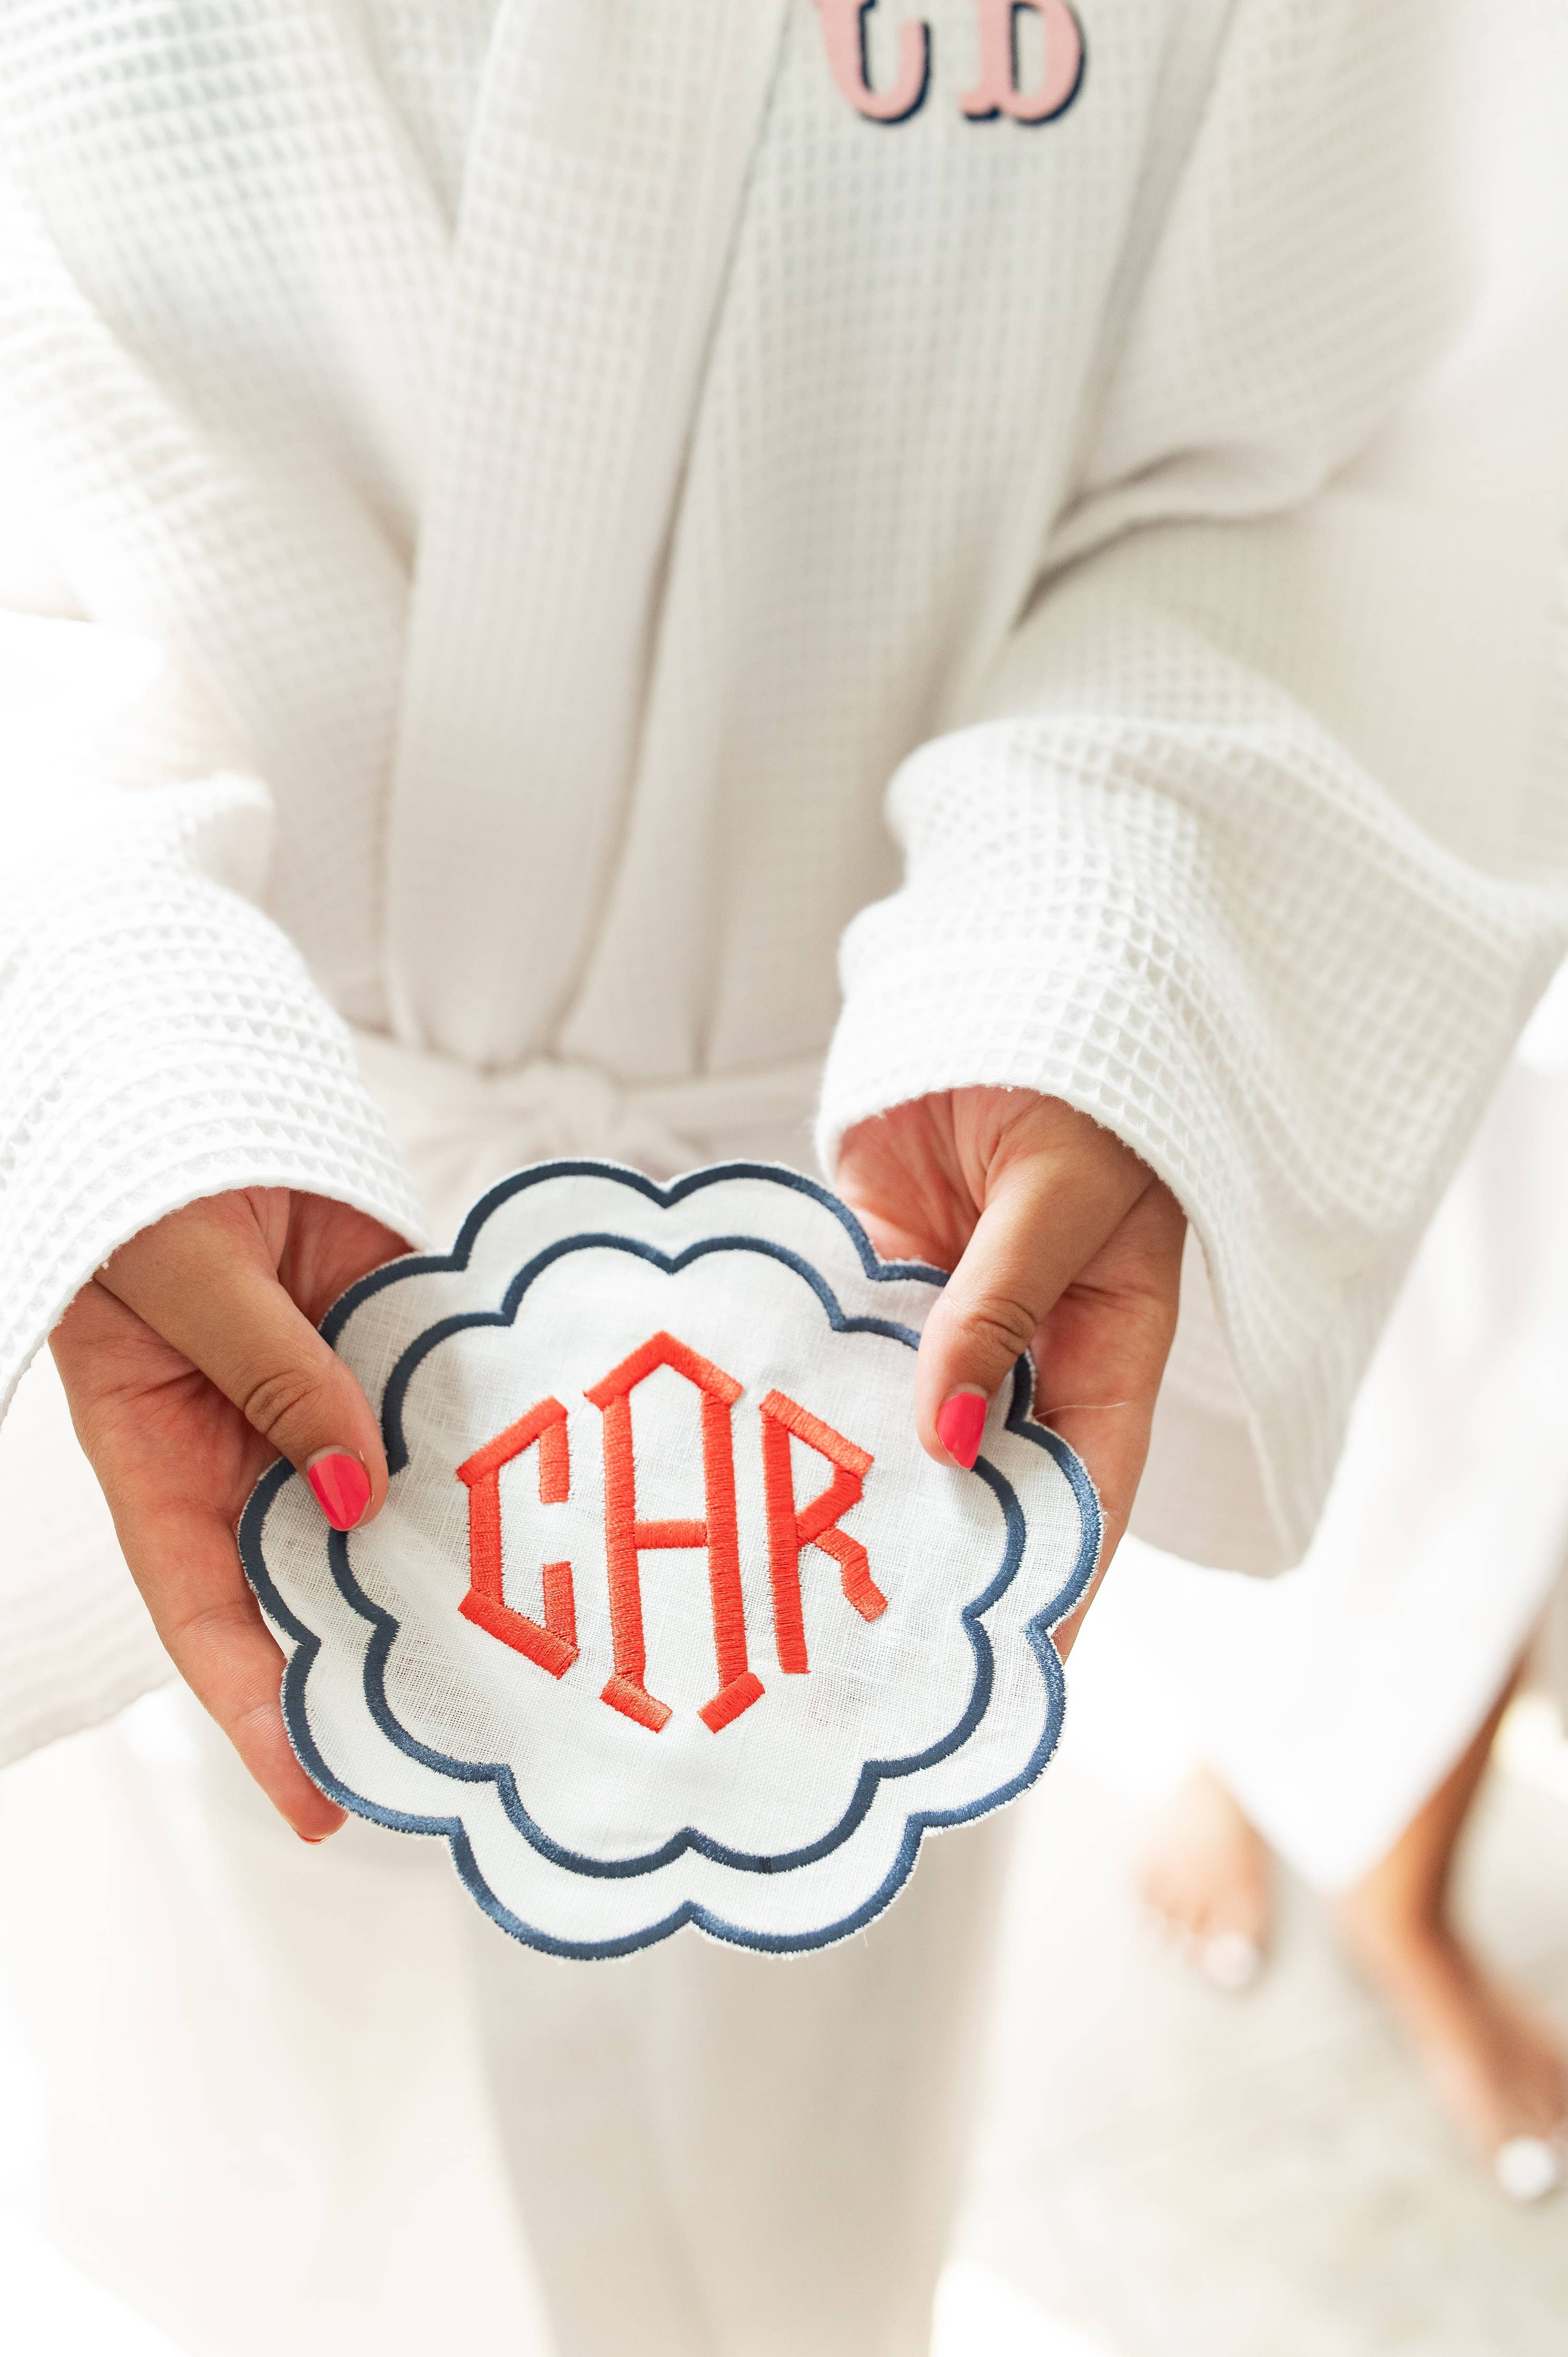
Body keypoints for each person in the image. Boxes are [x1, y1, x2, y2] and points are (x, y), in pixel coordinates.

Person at [0, 2, 1564, 2349]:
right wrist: (90, 1048)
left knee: (782, 2206)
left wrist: (1108, 953)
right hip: (210, 1307)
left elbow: (1404, 440)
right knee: (267, 2202)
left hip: (867, 1303)